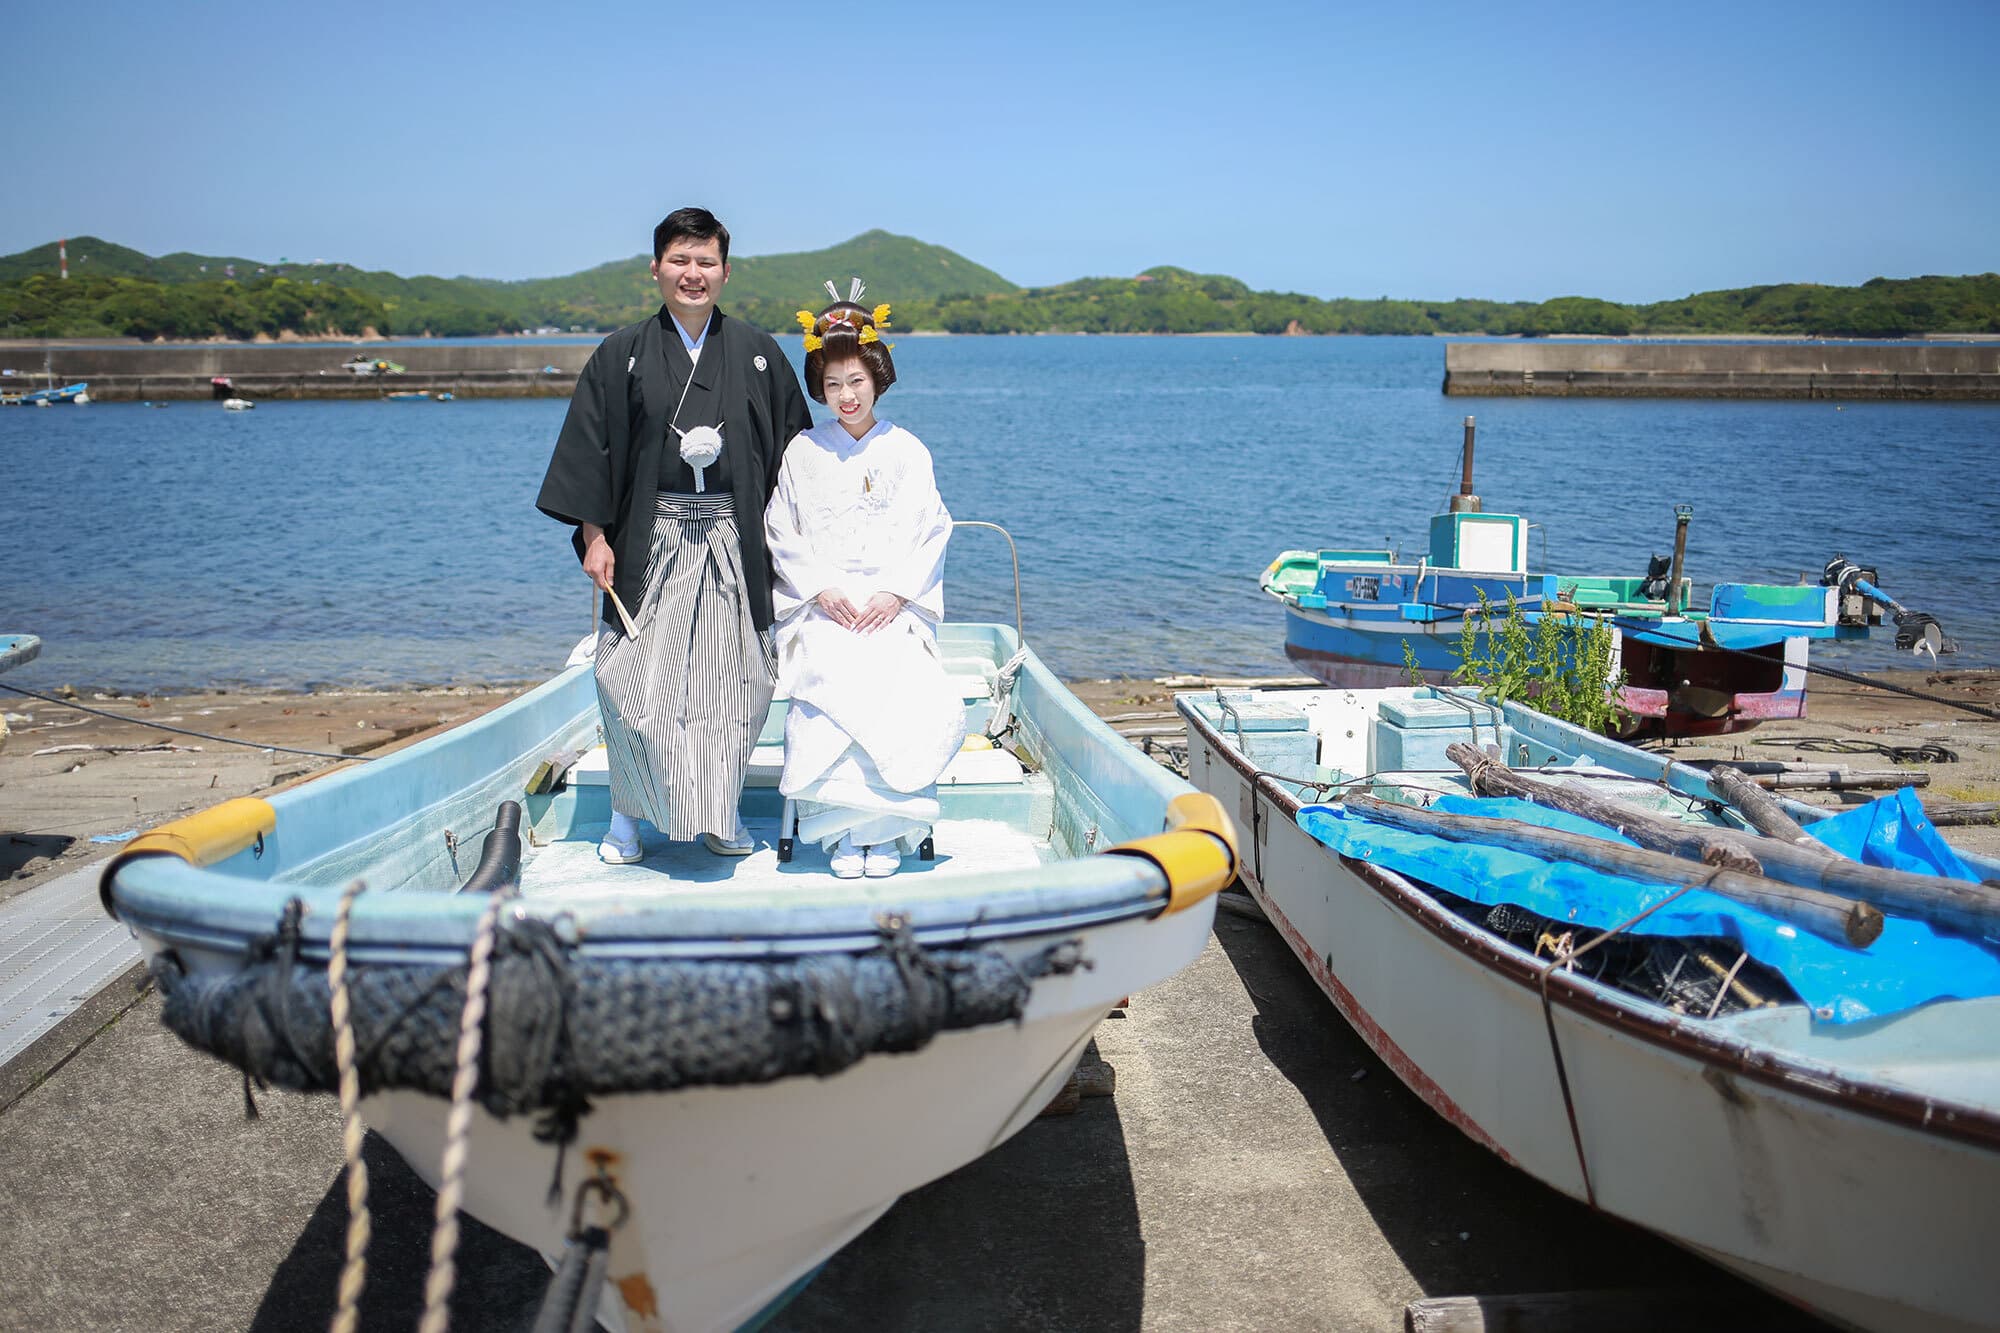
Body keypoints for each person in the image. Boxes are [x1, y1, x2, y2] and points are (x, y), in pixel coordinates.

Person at [537, 207, 813, 864]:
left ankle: (722, 814)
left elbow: (794, 458)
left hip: (730, 535)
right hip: (649, 540)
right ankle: (628, 816)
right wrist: (594, 536)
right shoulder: (620, 355)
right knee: (630, 681)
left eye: (706, 262)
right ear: (656, 268)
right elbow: (590, 450)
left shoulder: (758, 353)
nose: (694, 274)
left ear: (725, 270)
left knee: (734, 683)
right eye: (680, 261)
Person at [765, 287, 966, 878]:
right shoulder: (803, 451)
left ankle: (883, 833)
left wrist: (897, 594)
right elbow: (782, 528)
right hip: (823, 604)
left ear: (876, 379)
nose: (845, 395)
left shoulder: (907, 451)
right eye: (832, 385)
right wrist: (820, 589)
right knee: (829, 672)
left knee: (896, 672)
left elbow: (933, 529)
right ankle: (838, 834)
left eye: (855, 381)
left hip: (890, 603)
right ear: (820, 390)